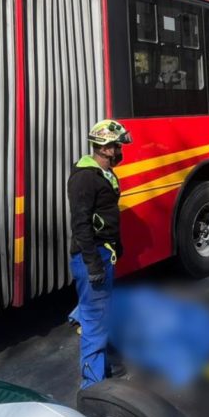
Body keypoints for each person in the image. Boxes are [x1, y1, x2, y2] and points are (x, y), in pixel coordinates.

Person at [67, 119, 132, 389]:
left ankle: (82, 317)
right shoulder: (84, 178)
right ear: (104, 148)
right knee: (95, 325)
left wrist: (115, 245)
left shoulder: (105, 174)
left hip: (104, 255)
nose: (120, 151)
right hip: (91, 257)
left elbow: (105, 216)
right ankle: (93, 390)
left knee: (99, 313)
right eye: (116, 146)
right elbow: (80, 225)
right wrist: (94, 264)